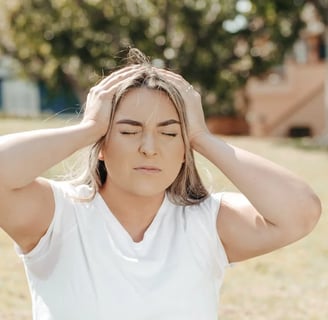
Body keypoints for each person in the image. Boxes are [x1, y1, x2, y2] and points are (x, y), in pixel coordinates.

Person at [0, 49, 321, 320]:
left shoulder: (207, 223)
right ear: (101, 145)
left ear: (185, 151)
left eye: (169, 133)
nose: (149, 148)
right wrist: (87, 129)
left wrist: (202, 137)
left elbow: (301, 212)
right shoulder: (58, 216)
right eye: (128, 131)